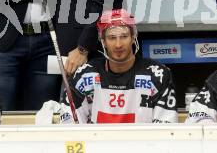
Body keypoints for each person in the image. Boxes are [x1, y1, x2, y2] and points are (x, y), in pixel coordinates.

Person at [47, 9, 177, 124]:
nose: (118, 44)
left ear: (133, 37)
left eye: (124, 36)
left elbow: (166, 129)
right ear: (103, 41)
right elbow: (70, 129)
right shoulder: (84, 75)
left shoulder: (158, 75)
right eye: (112, 37)